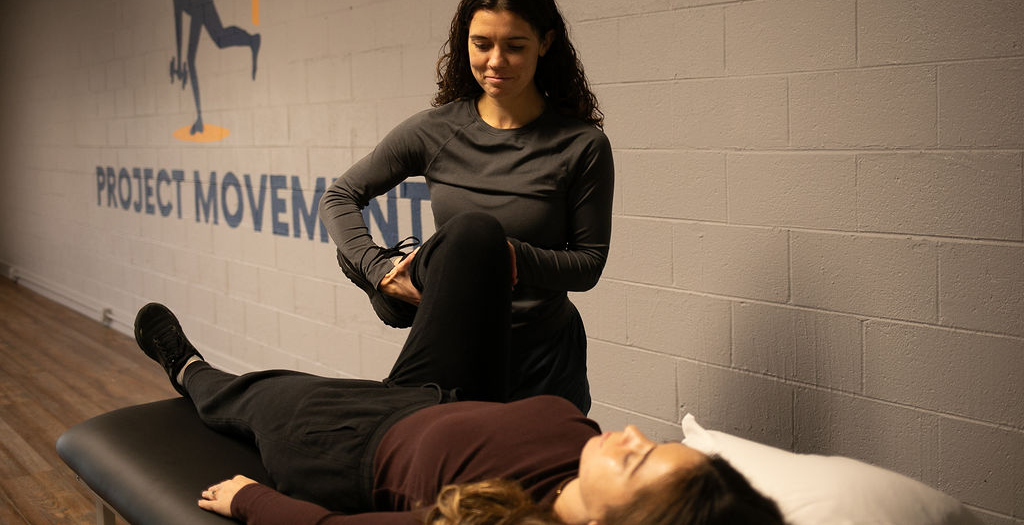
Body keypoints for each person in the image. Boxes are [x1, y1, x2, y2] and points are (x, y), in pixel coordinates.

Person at [133, 214, 784, 524]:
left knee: (250, 395)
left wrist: (249, 499)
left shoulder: (498, 522)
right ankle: (396, 284)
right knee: (474, 238)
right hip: (442, 396)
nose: (636, 435)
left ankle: (188, 367)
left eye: (639, 462)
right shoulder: (587, 462)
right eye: (659, 444)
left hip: (354, 443)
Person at [319, 0, 614, 413]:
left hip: (544, 361)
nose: (496, 61)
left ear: (546, 43)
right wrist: (378, 270)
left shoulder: (582, 145)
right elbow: (339, 197)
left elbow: (587, 265)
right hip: (457, 347)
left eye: (515, 46)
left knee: (539, 481)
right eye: (482, 44)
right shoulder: (435, 131)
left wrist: (503, 255)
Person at [155, 0, 261, 135]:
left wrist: (182, 61)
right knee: (220, 39)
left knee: (192, 58)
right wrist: (177, 62)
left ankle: (199, 118)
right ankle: (252, 40)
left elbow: (182, 13)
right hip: (193, 1)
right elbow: (177, 18)